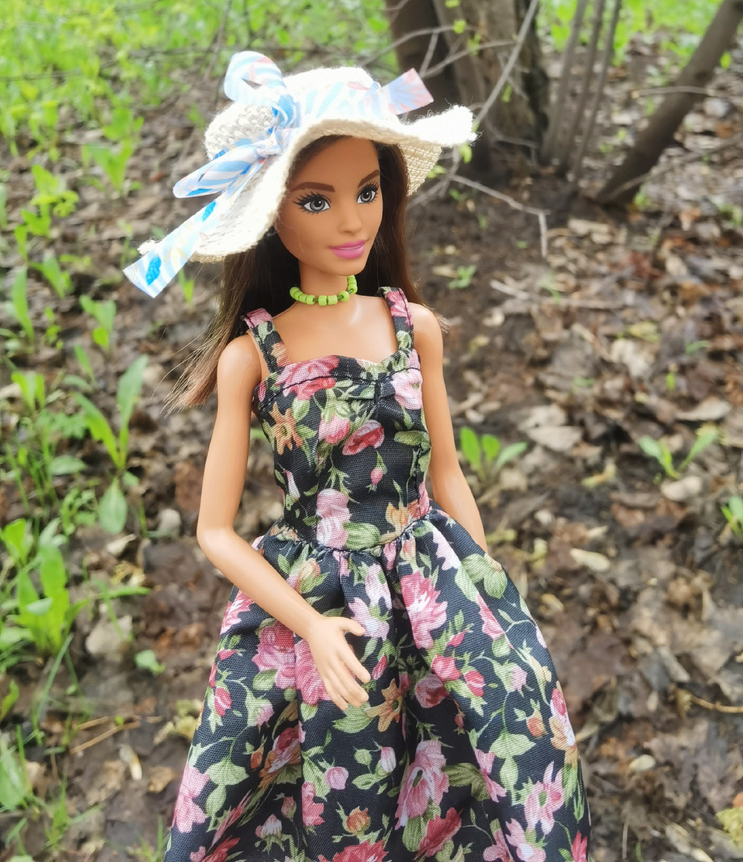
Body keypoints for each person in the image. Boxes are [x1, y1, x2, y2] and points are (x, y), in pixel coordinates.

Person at [125, 52, 592, 862]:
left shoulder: (415, 327)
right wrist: (307, 624)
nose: (351, 221)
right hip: (319, 592)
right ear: (273, 215)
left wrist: (482, 586)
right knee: (331, 773)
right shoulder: (252, 356)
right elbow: (214, 531)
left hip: (432, 572)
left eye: (367, 191)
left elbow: (446, 471)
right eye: (317, 199)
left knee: (495, 741)